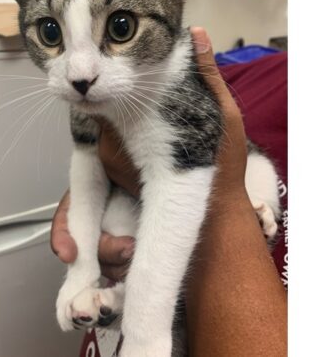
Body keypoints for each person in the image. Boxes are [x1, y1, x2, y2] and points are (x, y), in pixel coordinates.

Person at [50, 27, 288, 356]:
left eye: (120, 28)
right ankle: (127, 303)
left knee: (260, 167)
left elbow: (185, 172)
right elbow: (89, 161)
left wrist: (228, 210)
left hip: (227, 298)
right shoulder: (255, 69)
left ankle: (140, 310)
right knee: (118, 216)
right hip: (147, 254)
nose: (79, 71)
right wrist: (81, 266)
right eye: (52, 35)